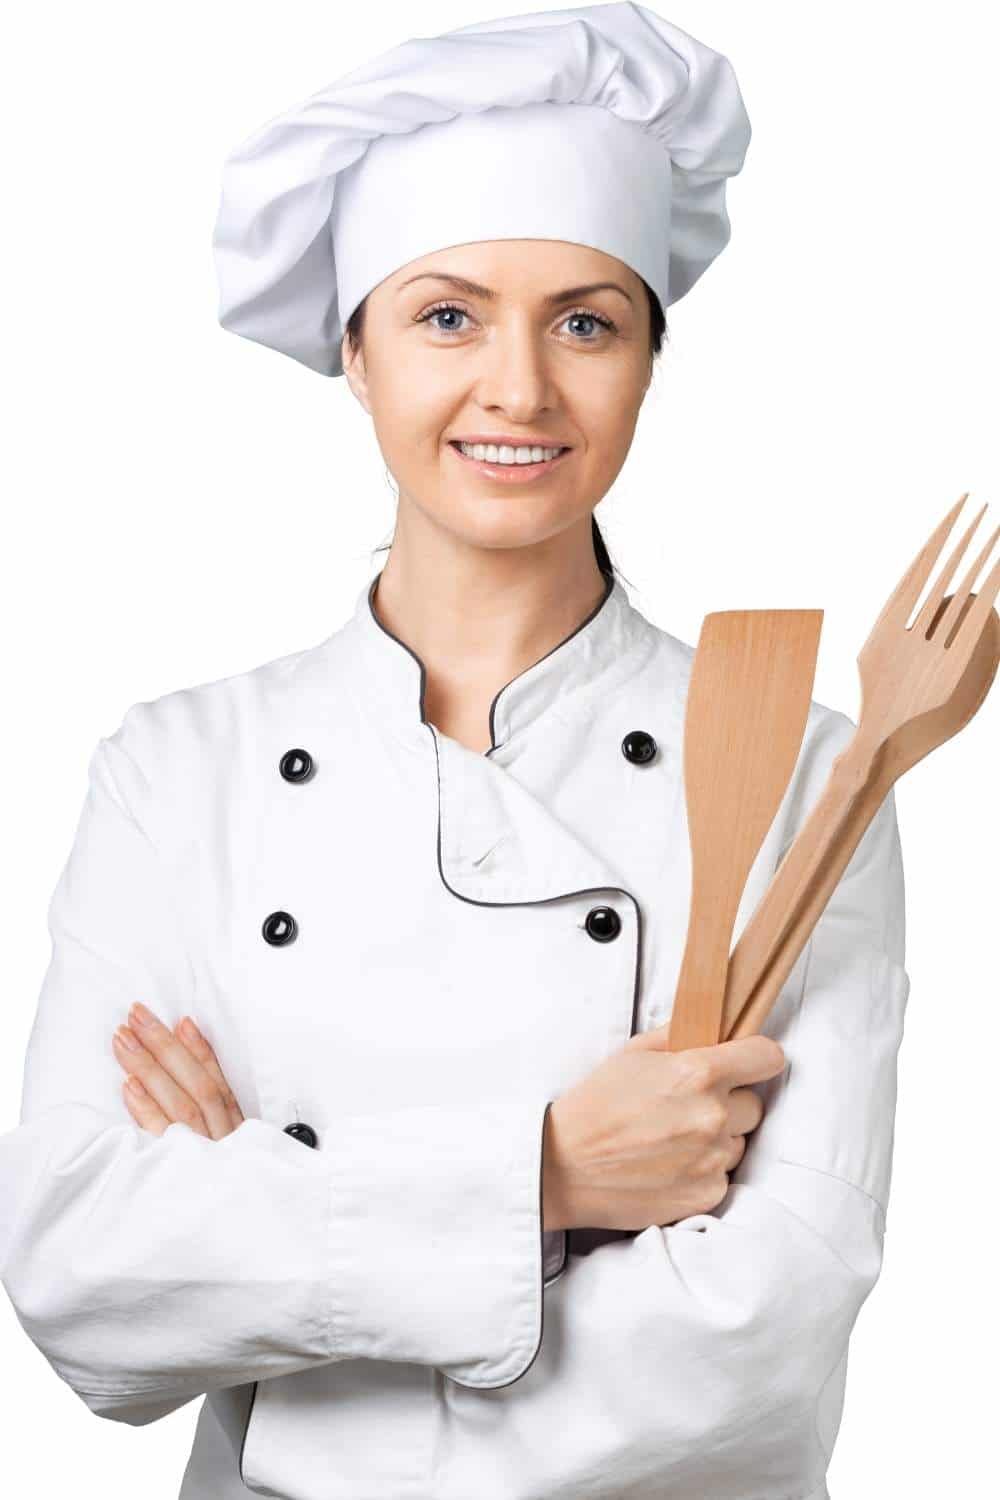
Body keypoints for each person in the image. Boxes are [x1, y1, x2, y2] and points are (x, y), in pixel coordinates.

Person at [0, 5, 910, 1498]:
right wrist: (548, 1174)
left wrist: (279, 1324)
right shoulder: (180, 771)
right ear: (350, 349)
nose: (520, 390)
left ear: (649, 360)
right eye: (445, 315)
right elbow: (74, 1263)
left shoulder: (811, 769)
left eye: (586, 321)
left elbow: (762, 1317)